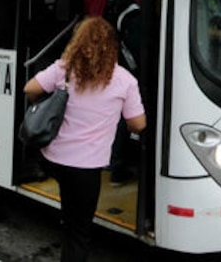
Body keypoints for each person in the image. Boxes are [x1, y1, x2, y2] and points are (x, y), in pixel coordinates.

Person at [23, 17, 146, 262]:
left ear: (78, 42)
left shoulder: (64, 69)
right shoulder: (125, 80)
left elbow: (30, 89)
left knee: (70, 214)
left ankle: (67, 223)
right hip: (86, 168)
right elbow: (138, 124)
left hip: (54, 159)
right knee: (79, 232)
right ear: (112, 47)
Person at [84, 0, 141, 184]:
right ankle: (116, 166)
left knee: (96, 106)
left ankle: (94, 158)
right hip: (119, 55)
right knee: (119, 108)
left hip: (93, 53)